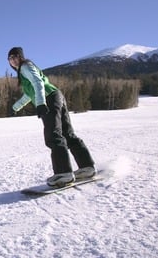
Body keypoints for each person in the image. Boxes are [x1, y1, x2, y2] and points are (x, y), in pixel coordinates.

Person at [7, 47, 96, 187]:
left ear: (21, 57)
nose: (13, 60)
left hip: (49, 99)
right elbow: (29, 94)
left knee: (53, 135)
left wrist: (41, 103)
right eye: (10, 58)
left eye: (15, 56)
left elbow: (38, 83)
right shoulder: (24, 70)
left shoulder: (25, 67)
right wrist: (15, 107)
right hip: (56, 96)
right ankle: (87, 167)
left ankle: (64, 173)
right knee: (67, 133)